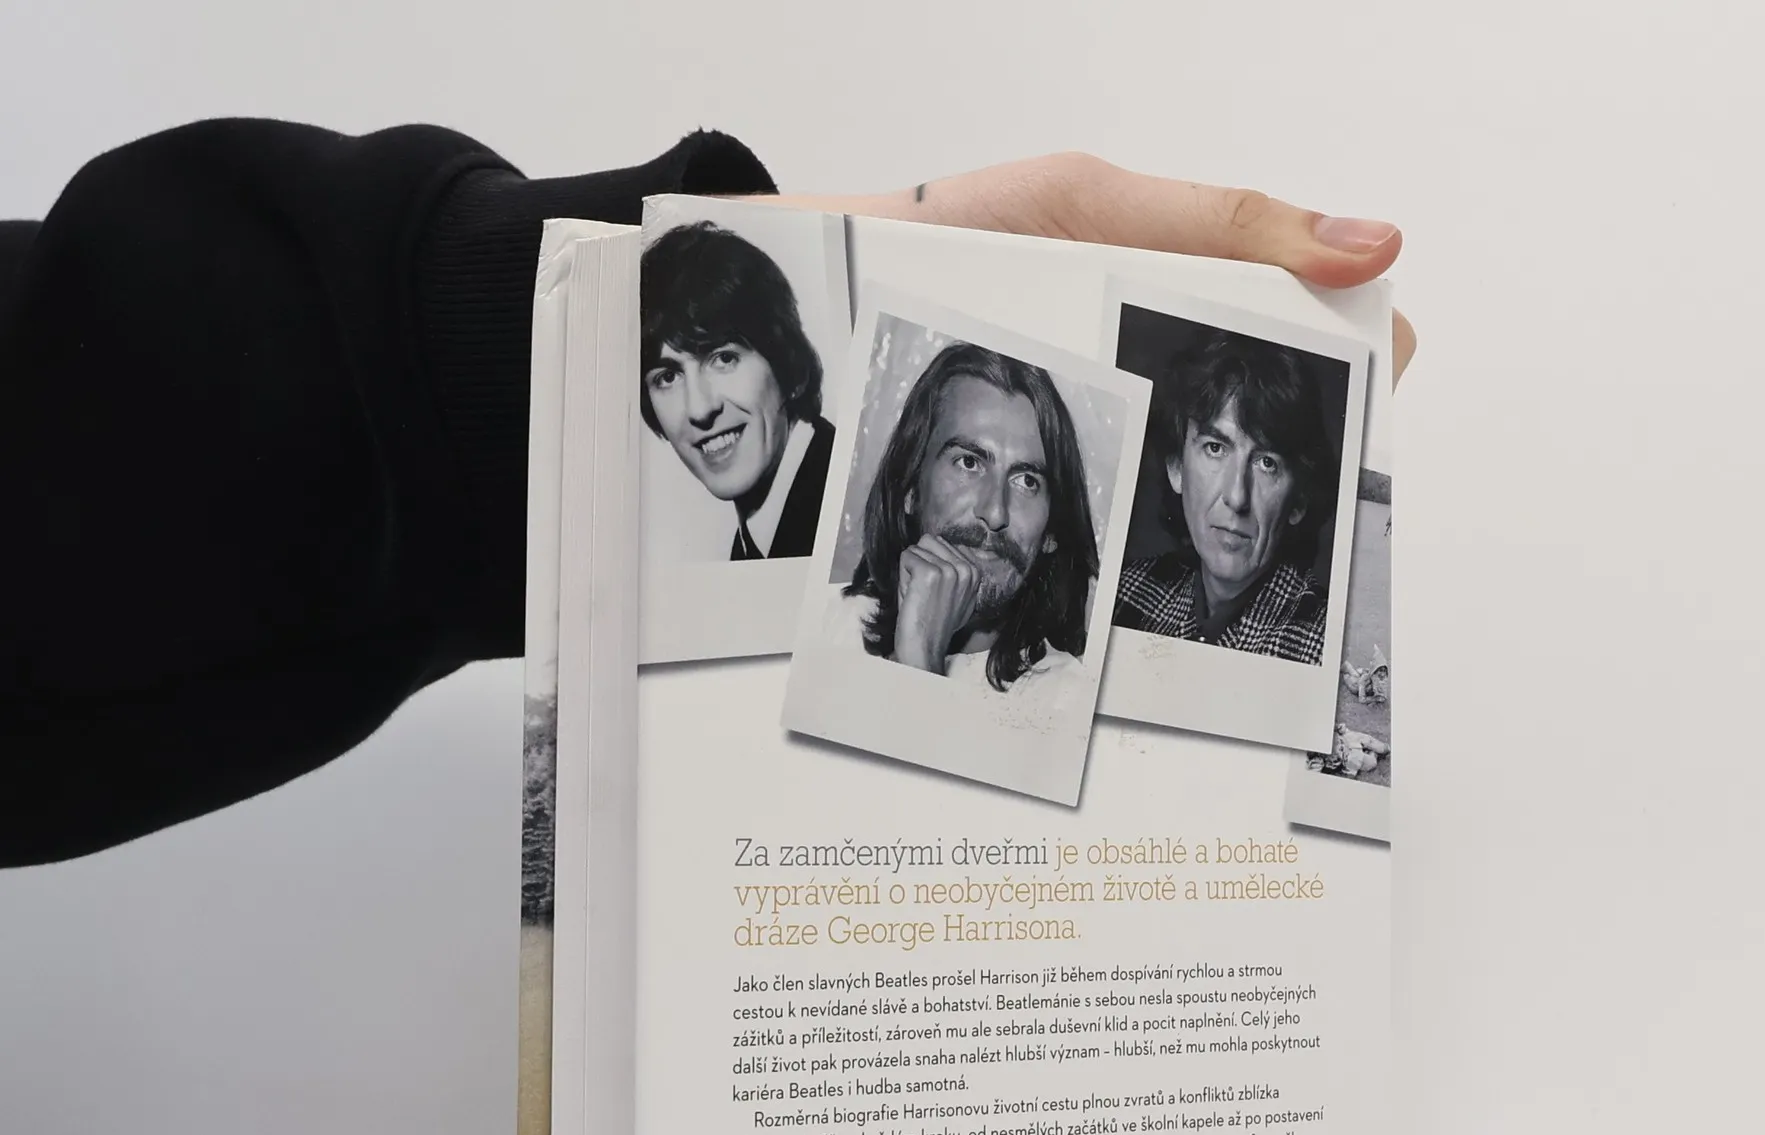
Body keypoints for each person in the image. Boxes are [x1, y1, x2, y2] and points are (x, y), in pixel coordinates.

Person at [0, 126, 1411, 867]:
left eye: (1029, 476)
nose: (697, 406)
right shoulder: (812, 595)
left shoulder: (1135, 666)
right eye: (661, 371)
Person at [831, 343, 1097, 697]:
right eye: (969, 463)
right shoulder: (826, 626)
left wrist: (920, 658)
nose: (995, 513)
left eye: (1026, 481)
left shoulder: (1066, 698)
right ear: (910, 488)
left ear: (1052, 532)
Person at [1116, 330, 1336, 661]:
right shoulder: (1124, 593)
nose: (1236, 497)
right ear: (1176, 467)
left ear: (1299, 500)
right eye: (1215, 448)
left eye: (1267, 463)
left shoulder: (1321, 647)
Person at [639, 220, 835, 562]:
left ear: (788, 365)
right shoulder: (758, 540)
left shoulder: (846, 513)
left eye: (724, 359)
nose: (699, 409)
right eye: (668, 377)